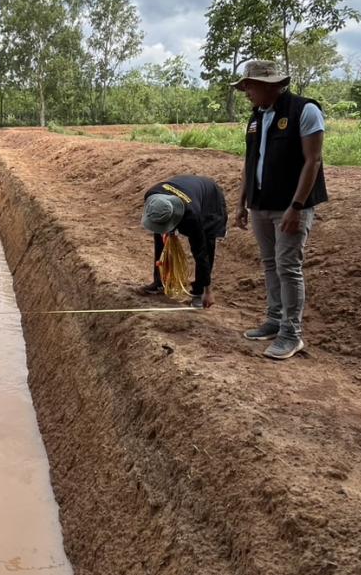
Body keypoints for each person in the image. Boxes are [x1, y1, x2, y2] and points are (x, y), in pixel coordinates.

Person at [232, 59, 327, 360]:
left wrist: (296, 206)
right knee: (270, 263)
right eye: (244, 86)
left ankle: (291, 333)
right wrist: (242, 202)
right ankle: (274, 320)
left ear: (271, 85)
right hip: (260, 204)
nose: (246, 92)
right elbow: (250, 163)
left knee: (288, 267)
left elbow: (313, 161)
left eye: (250, 86)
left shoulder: (304, 111)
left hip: (291, 206)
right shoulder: (255, 118)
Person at [140, 175, 228, 308]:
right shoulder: (153, 196)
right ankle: (160, 282)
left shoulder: (192, 217)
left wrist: (207, 290)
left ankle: (199, 292)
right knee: (160, 236)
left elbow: (201, 252)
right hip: (185, 191)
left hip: (210, 199)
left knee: (206, 243)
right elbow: (160, 221)